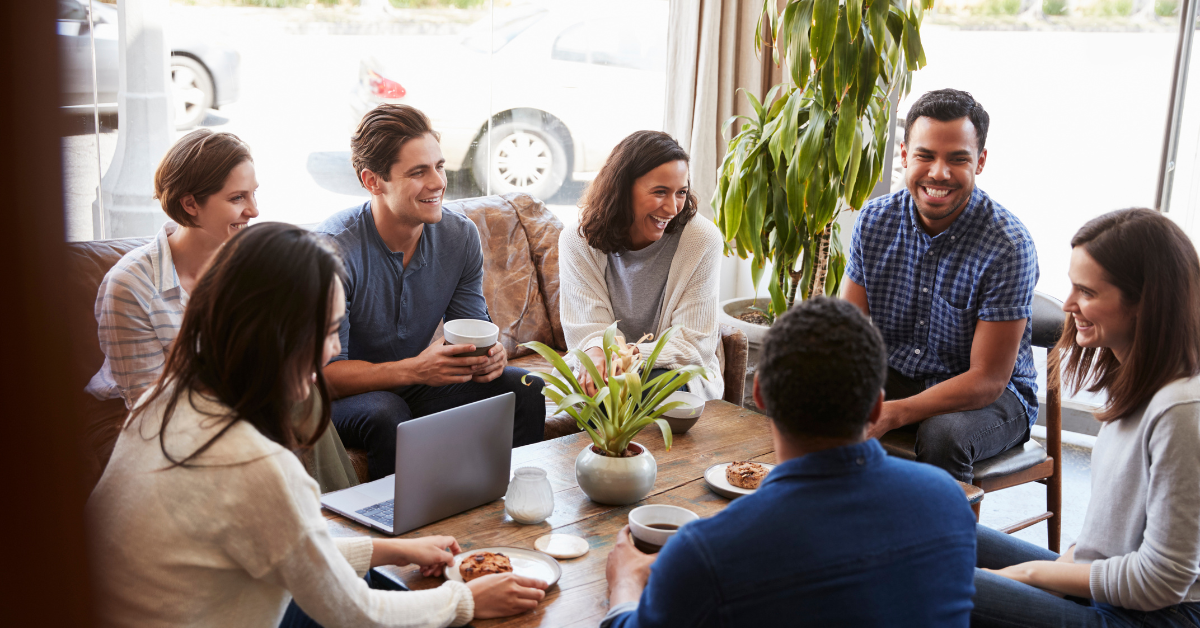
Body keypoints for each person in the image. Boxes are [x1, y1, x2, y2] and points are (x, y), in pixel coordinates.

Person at [86, 223, 549, 628]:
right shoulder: (253, 464)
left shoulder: (166, 397)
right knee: (421, 606)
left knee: (385, 579)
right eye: (327, 332)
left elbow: (288, 547)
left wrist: (395, 550)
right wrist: (465, 601)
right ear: (276, 336)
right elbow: (353, 613)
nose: (332, 351)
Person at [602, 297, 977, 628]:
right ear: (877, 407)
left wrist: (625, 582)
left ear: (759, 393)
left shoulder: (708, 552)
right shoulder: (947, 499)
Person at [84, 129, 356, 492]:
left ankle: (338, 514)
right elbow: (151, 408)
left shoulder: (248, 265)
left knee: (306, 398)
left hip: (227, 398)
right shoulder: (131, 285)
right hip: (134, 419)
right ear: (190, 204)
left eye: (253, 193)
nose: (254, 210)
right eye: (237, 197)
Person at [971, 208, 1200, 627]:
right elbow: (1108, 536)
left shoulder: (1181, 410)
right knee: (940, 528)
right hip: (1110, 587)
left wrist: (1030, 575)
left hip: (1157, 616)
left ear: (1144, 304)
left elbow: (1164, 582)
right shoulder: (1136, 379)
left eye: (1087, 291)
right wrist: (1050, 575)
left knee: (940, 582)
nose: (1068, 304)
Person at [316, 104, 545, 481]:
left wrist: (491, 357)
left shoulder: (460, 235)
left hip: (412, 383)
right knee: (386, 412)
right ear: (373, 181)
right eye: (418, 172)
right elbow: (325, 377)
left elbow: (472, 330)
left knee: (525, 388)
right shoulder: (332, 250)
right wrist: (415, 369)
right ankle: (393, 520)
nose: (438, 182)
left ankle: (513, 501)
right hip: (342, 399)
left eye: (439, 166)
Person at [842, 88, 1039, 482]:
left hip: (993, 395)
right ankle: (835, 515)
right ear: (904, 155)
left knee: (942, 437)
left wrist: (894, 412)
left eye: (958, 159)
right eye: (925, 155)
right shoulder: (875, 221)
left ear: (980, 161)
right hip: (896, 373)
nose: (939, 173)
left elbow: (988, 379)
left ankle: (934, 524)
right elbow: (844, 332)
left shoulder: (1009, 245)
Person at [559, 130, 723, 400]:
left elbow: (693, 345)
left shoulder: (701, 239)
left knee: (634, 392)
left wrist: (631, 356)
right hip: (606, 367)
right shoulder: (578, 239)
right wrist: (596, 354)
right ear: (622, 190)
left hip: (674, 371)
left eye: (681, 192)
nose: (672, 208)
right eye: (660, 192)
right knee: (586, 391)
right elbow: (587, 327)